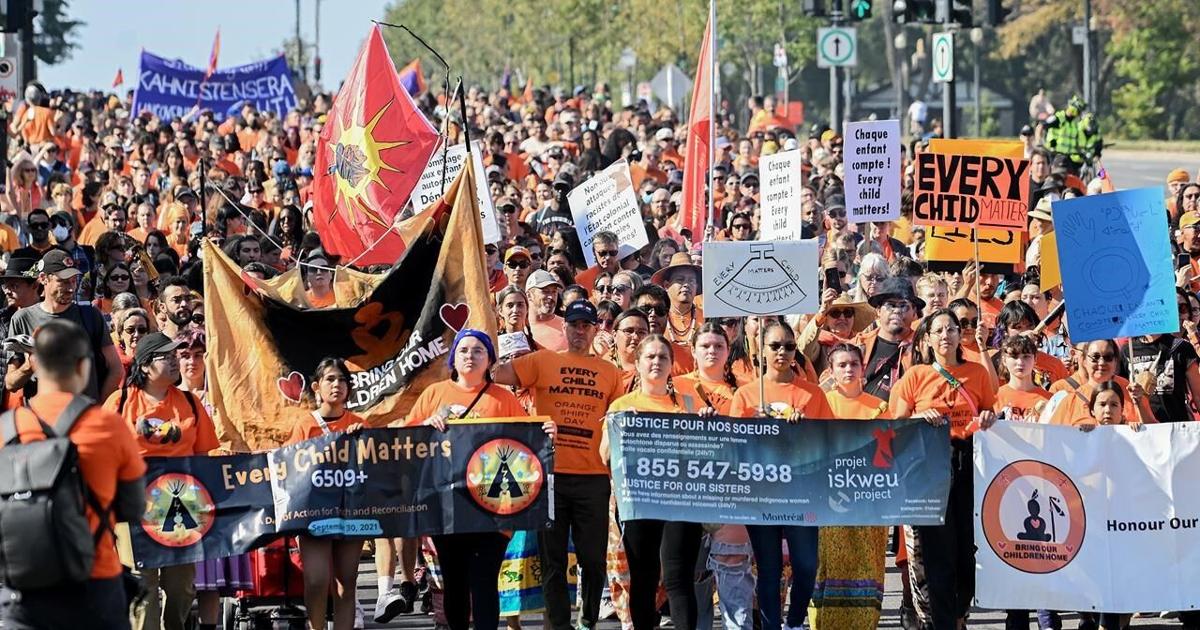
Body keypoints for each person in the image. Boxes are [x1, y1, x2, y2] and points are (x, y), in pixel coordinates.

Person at [401, 328, 555, 630]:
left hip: (493, 509)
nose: (470, 356)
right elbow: (408, 442)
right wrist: (425, 424)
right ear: (453, 358)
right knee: (454, 581)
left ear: (490, 360)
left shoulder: (503, 398)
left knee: (485, 580)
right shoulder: (434, 394)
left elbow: (525, 444)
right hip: (447, 507)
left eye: (478, 351)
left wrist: (547, 433)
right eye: (463, 350)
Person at [0, 320, 146, 630]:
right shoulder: (110, 426)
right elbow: (133, 508)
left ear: (35, 364)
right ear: (83, 367)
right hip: (94, 582)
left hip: (22, 588)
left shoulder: (5, 428)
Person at [493, 300, 624, 630]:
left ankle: (588, 620)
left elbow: (617, 420)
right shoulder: (542, 360)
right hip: (550, 476)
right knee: (551, 560)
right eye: (574, 324)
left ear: (595, 329)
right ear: (564, 327)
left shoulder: (610, 372)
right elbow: (496, 374)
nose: (580, 330)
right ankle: (558, 625)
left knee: (592, 560)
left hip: (594, 477)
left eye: (586, 325)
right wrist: (495, 338)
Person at [889, 308, 997, 630]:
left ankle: (959, 609)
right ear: (927, 338)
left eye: (951, 329)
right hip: (930, 464)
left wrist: (990, 417)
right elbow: (894, 425)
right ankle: (944, 623)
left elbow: (990, 410)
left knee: (967, 551)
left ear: (959, 335)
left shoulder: (977, 373)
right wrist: (918, 419)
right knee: (939, 553)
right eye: (938, 330)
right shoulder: (915, 377)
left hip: (969, 463)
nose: (945, 336)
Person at [107, 332, 219, 630]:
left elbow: (204, 460)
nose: (174, 361)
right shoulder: (119, 404)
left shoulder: (190, 403)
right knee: (142, 587)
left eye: (175, 356)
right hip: (133, 510)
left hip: (181, 509)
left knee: (182, 587)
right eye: (166, 357)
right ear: (144, 366)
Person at [729, 320, 835, 630]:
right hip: (761, 494)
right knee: (769, 569)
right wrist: (754, 426)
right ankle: (772, 626)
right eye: (775, 346)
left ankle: (794, 622)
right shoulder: (746, 395)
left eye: (789, 346)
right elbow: (734, 449)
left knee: (805, 565)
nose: (782, 352)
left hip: (802, 493)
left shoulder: (813, 395)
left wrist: (807, 431)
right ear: (760, 352)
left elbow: (829, 443)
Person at [604, 334, 706, 630]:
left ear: (673, 365)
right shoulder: (621, 405)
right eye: (650, 357)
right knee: (644, 577)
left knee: (678, 579)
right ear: (636, 364)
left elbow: (711, 447)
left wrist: (706, 421)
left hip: (682, 502)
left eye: (663, 357)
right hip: (640, 502)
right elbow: (605, 457)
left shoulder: (690, 402)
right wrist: (621, 429)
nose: (657, 362)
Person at [809, 343, 889, 630]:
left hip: (869, 500)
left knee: (866, 564)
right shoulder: (820, 403)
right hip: (828, 499)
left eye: (853, 364)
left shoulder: (879, 406)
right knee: (828, 563)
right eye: (841, 365)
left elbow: (889, 454)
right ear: (830, 371)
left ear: (862, 368)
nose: (848, 370)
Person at [284, 357, 367, 630]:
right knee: (317, 580)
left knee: (346, 581)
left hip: (350, 512)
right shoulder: (304, 425)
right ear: (317, 387)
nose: (337, 385)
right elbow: (288, 467)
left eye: (342, 380)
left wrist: (363, 440)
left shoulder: (359, 423)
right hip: (314, 515)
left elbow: (374, 465)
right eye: (331, 379)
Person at [9, 249, 124, 401]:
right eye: (63, 282)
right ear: (43, 278)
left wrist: (99, 407)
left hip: (83, 417)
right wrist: (29, 367)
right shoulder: (22, 318)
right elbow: (10, 383)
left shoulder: (91, 315)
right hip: (42, 418)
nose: (70, 288)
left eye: (73, 280)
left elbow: (116, 369)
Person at [1040, 339, 1155, 427]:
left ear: (1116, 362)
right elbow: (1052, 440)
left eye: (1108, 357)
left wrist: (1139, 403)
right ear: (1084, 361)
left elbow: (1154, 434)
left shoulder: (1131, 393)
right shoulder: (1070, 400)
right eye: (1095, 357)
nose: (1101, 362)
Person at [651, 252, 703, 346]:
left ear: (697, 286)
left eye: (691, 280)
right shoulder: (656, 318)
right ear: (666, 285)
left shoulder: (706, 319)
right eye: (680, 280)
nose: (686, 285)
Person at [525, 269, 567, 352]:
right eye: (545, 291)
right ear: (529, 295)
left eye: (554, 292)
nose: (551, 297)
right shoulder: (522, 330)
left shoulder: (568, 326)